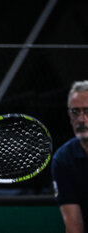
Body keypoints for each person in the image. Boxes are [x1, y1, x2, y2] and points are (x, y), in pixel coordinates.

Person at [52, 80, 88, 233]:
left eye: (87, 111)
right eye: (75, 112)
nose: (81, 119)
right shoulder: (63, 159)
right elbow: (74, 227)